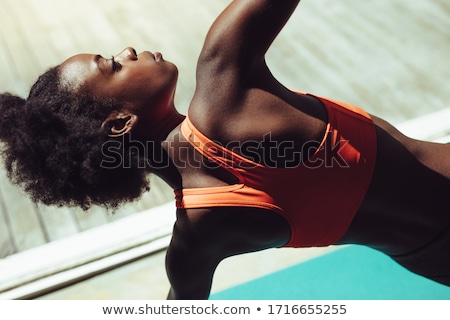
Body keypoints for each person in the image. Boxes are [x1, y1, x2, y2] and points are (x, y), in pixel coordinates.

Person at [0, 0, 449, 299]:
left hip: (432, 261)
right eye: (112, 64)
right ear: (119, 122)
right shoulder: (223, 85)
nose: (128, 49)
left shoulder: (196, 234)